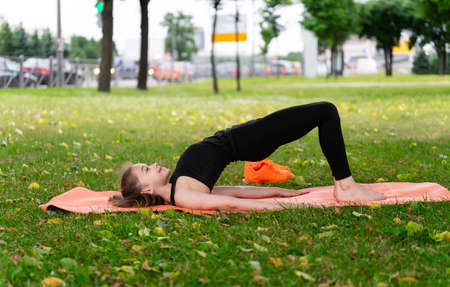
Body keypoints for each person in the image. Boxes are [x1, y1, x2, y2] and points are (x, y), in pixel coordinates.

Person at [109, 102, 386, 211]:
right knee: (326, 111)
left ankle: (345, 184)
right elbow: (231, 204)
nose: (154, 164)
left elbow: (233, 191)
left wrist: (281, 192)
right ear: (146, 188)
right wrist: (289, 208)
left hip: (246, 137)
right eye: (146, 169)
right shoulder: (183, 196)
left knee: (324, 112)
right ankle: (346, 186)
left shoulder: (180, 186)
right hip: (248, 140)